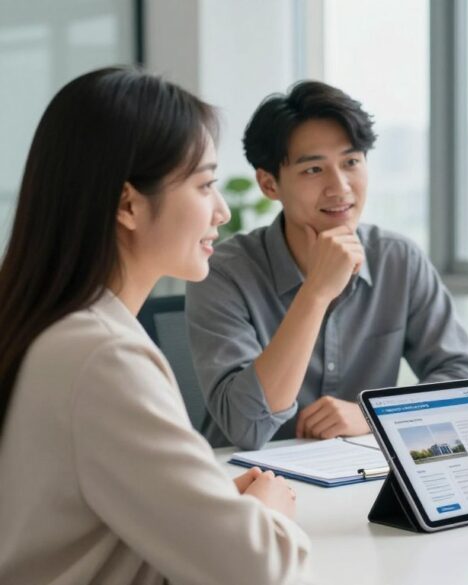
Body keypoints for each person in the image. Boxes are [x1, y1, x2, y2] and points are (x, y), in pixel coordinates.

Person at [0, 68, 311, 584]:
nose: (222, 210)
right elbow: (254, 569)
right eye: (205, 184)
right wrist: (268, 511)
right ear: (128, 204)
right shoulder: (102, 357)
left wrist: (205, 509)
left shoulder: (56, 328)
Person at [186, 81, 468, 450]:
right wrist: (316, 292)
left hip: (360, 475)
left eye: (351, 162)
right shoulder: (224, 273)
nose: (340, 187)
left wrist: (375, 416)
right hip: (252, 485)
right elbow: (247, 427)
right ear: (268, 184)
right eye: (313, 170)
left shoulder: (398, 259)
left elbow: (466, 382)